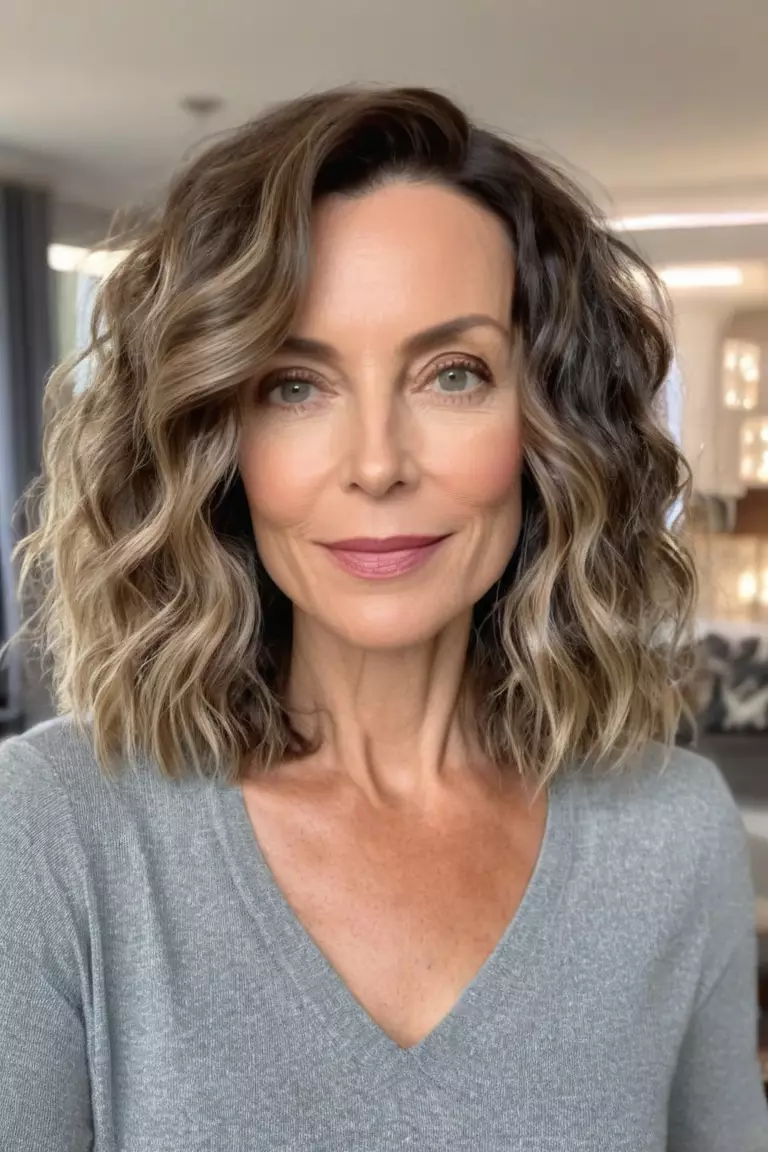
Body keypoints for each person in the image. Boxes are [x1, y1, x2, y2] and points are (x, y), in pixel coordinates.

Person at [0, 85, 766, 1152]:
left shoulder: (673, 838)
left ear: (553, 423)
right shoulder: (53, 832)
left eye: (453, 375)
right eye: (294, 385)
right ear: (216, 438)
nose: (375, 466)